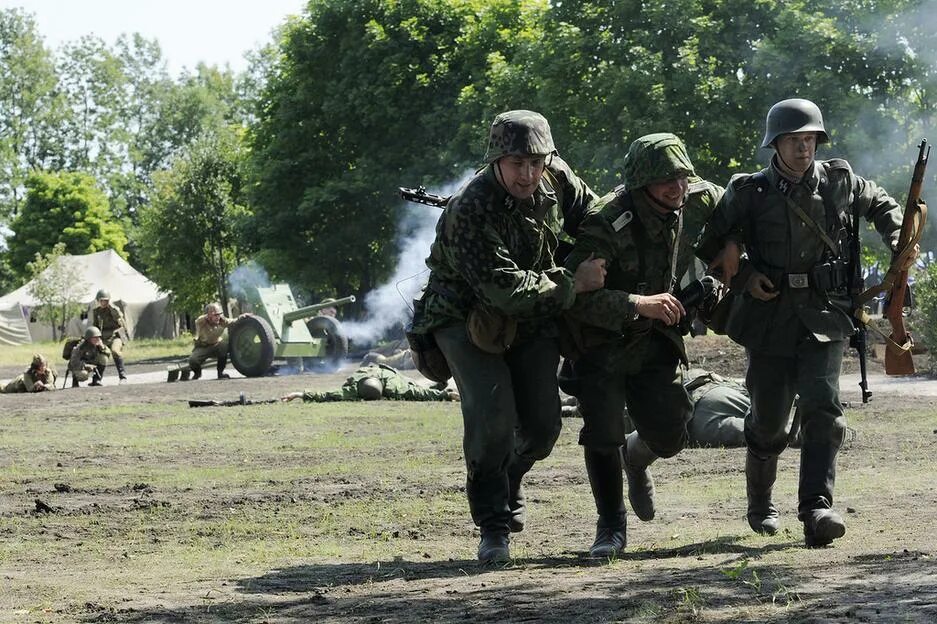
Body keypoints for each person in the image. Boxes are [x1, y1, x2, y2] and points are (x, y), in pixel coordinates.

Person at [695, 98, 915, 547]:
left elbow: (883, 205)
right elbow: (710, 247)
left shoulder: (840, 181)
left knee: (823, 410)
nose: (803, 149)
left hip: (825, 315)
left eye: (810, 140)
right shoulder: (748, 192)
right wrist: (746, 277)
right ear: (775, 144)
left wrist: (897, 234)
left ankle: (817, 508)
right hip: (770, 320)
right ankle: (760, 505)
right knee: (768, 425)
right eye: (794, 141)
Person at [408, 110, 606, 563]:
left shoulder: (557, 179)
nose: (529, 173)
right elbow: (506, 290)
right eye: (518, 162)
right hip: (465, 317)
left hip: (534, 314)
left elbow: (595, 216)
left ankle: (508, 477)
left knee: (542, 427)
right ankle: (493, 526)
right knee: (492, 415)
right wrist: (576, 280)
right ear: (497, 159)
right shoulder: (469, 209)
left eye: (537, 161)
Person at [561, 133, 723, 557]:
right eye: (665, 178)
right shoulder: (605, 221)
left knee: (671, 433)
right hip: (602, 345)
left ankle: (636, 458)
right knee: (603, 431)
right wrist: (637, 303)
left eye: (683, 176)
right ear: (639, 183)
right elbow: (575, 296)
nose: (678, 186)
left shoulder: (699, 200)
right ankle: (610, 527)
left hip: (656, 343)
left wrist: (734, 255)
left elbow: (745, 204)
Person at [281, 363, 460, 402]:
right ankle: (443, 386)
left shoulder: (356, 386)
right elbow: (417, 394)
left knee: (423, 386)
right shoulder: (392, 388)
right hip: (401, 378)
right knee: (421, 388)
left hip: (388, 370)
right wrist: (444, 395)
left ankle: (442, 385)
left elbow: (331, 394)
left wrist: (301, 393)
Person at [188, 303, 242, 380]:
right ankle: (197, 373)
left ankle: (220, 373)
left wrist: (242, 317)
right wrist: (208, 316)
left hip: (216, 345)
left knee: (224, 346)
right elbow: (198, 321)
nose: (218, 317)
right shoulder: (201, 322)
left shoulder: (222, 321)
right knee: (192, 360)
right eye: (215, 315)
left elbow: (234, 321)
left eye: (219, 314)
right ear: (209, 316)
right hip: (203, 347)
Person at [92, 289, 128, 382]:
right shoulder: (96, 311)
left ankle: (123, 377)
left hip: (115, 336)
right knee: (101, 354)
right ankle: (96, 379)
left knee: (115, 351)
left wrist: (111, 307)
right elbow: (95, 326)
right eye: (101, 300)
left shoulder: (114, 310)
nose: (103, 302)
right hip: (103, 337)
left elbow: (119, 319)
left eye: (105, 300)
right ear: (98, 301)